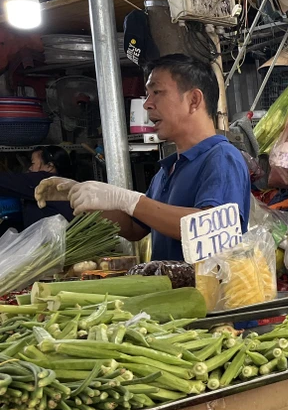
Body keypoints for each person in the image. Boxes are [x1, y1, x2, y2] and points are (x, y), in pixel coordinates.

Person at [36, 54, 251, 261]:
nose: (147, 104)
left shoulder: (221, 157)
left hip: (208, 296)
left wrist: (128, 200)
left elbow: (209, 231)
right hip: (171, 293)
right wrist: (86, 195)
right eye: (148, 95)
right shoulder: (168, 169)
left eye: (157, 92)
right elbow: (135, 228)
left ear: (194, 100)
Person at [0, 146, 74, 229]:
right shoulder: (67, 183)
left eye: (33, 163)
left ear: (49, 166)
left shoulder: (44, 181)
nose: (30, 168)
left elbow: (6, 182)